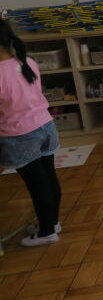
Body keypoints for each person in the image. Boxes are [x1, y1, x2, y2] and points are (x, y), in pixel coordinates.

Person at [0, 19, 62, 247]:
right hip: (45, 126)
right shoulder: (27, 62)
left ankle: (47, 231)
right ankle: (52, 223)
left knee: (38, 186)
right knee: (48, 178)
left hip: (20, 135)